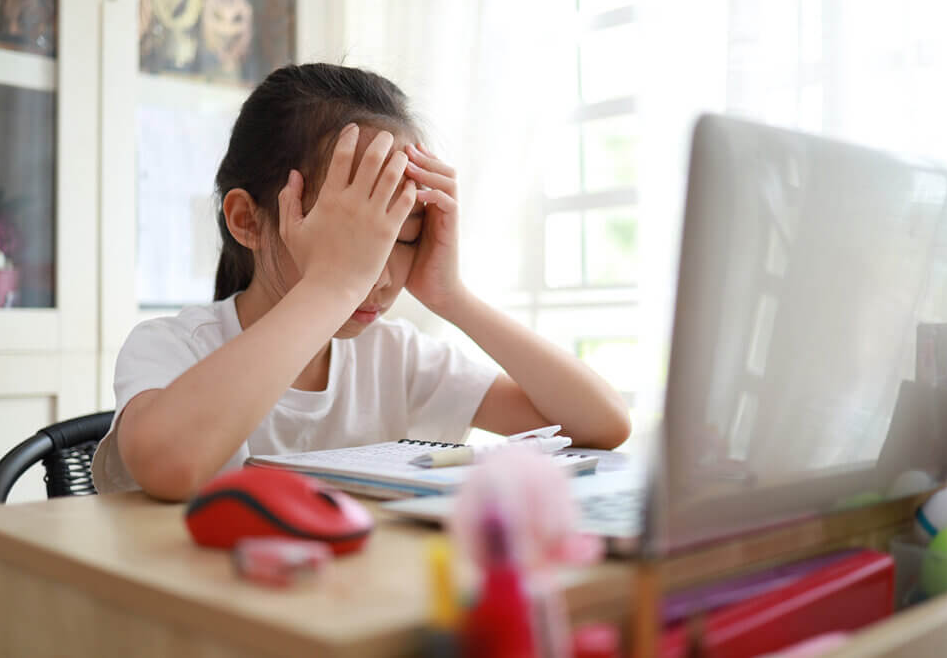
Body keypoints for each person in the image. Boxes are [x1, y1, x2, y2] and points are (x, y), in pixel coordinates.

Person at [92, 63, 631, 500]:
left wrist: (452, 296)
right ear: (247, 220)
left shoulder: (399, 358)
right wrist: (329, 287)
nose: (377, 272)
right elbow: (169, 466)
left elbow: (600, 425)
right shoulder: (171, 347)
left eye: (405, 235)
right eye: (354, 235)